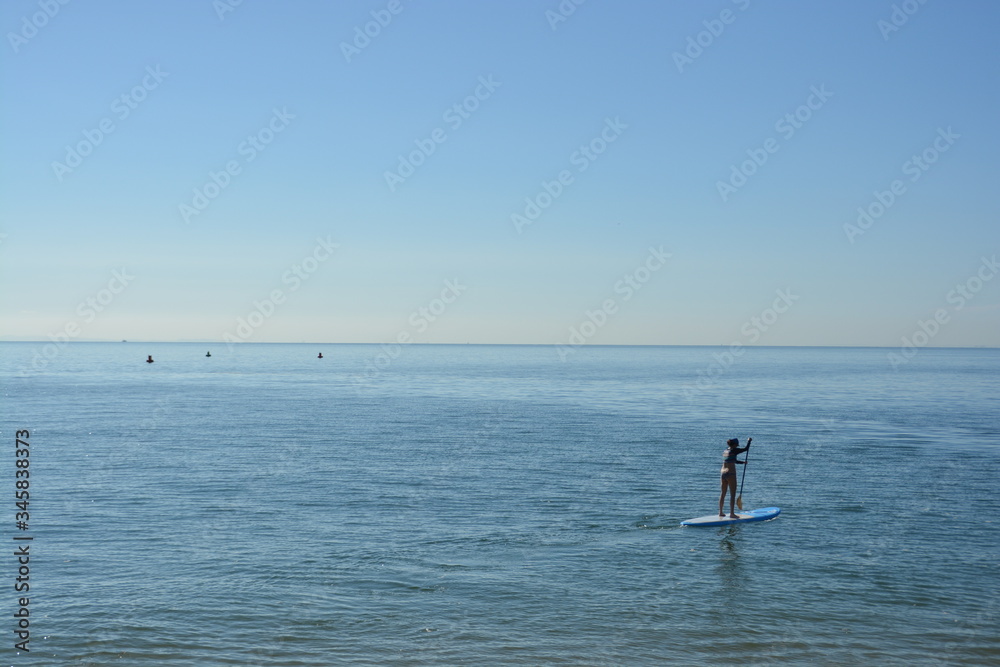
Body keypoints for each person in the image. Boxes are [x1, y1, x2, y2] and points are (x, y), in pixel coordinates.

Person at [719, 437, 750, 518]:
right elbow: (746, 449)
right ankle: (732, 514)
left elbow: (733, 460)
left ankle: (721, 512)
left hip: (723, 473)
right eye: (737, 445)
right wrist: (749, 441)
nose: (737, 446)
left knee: (723, 493)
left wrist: (743, 462)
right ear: (735, 445)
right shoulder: (734, 450)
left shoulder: (725, 451)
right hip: (731, 474)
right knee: (732, 494)